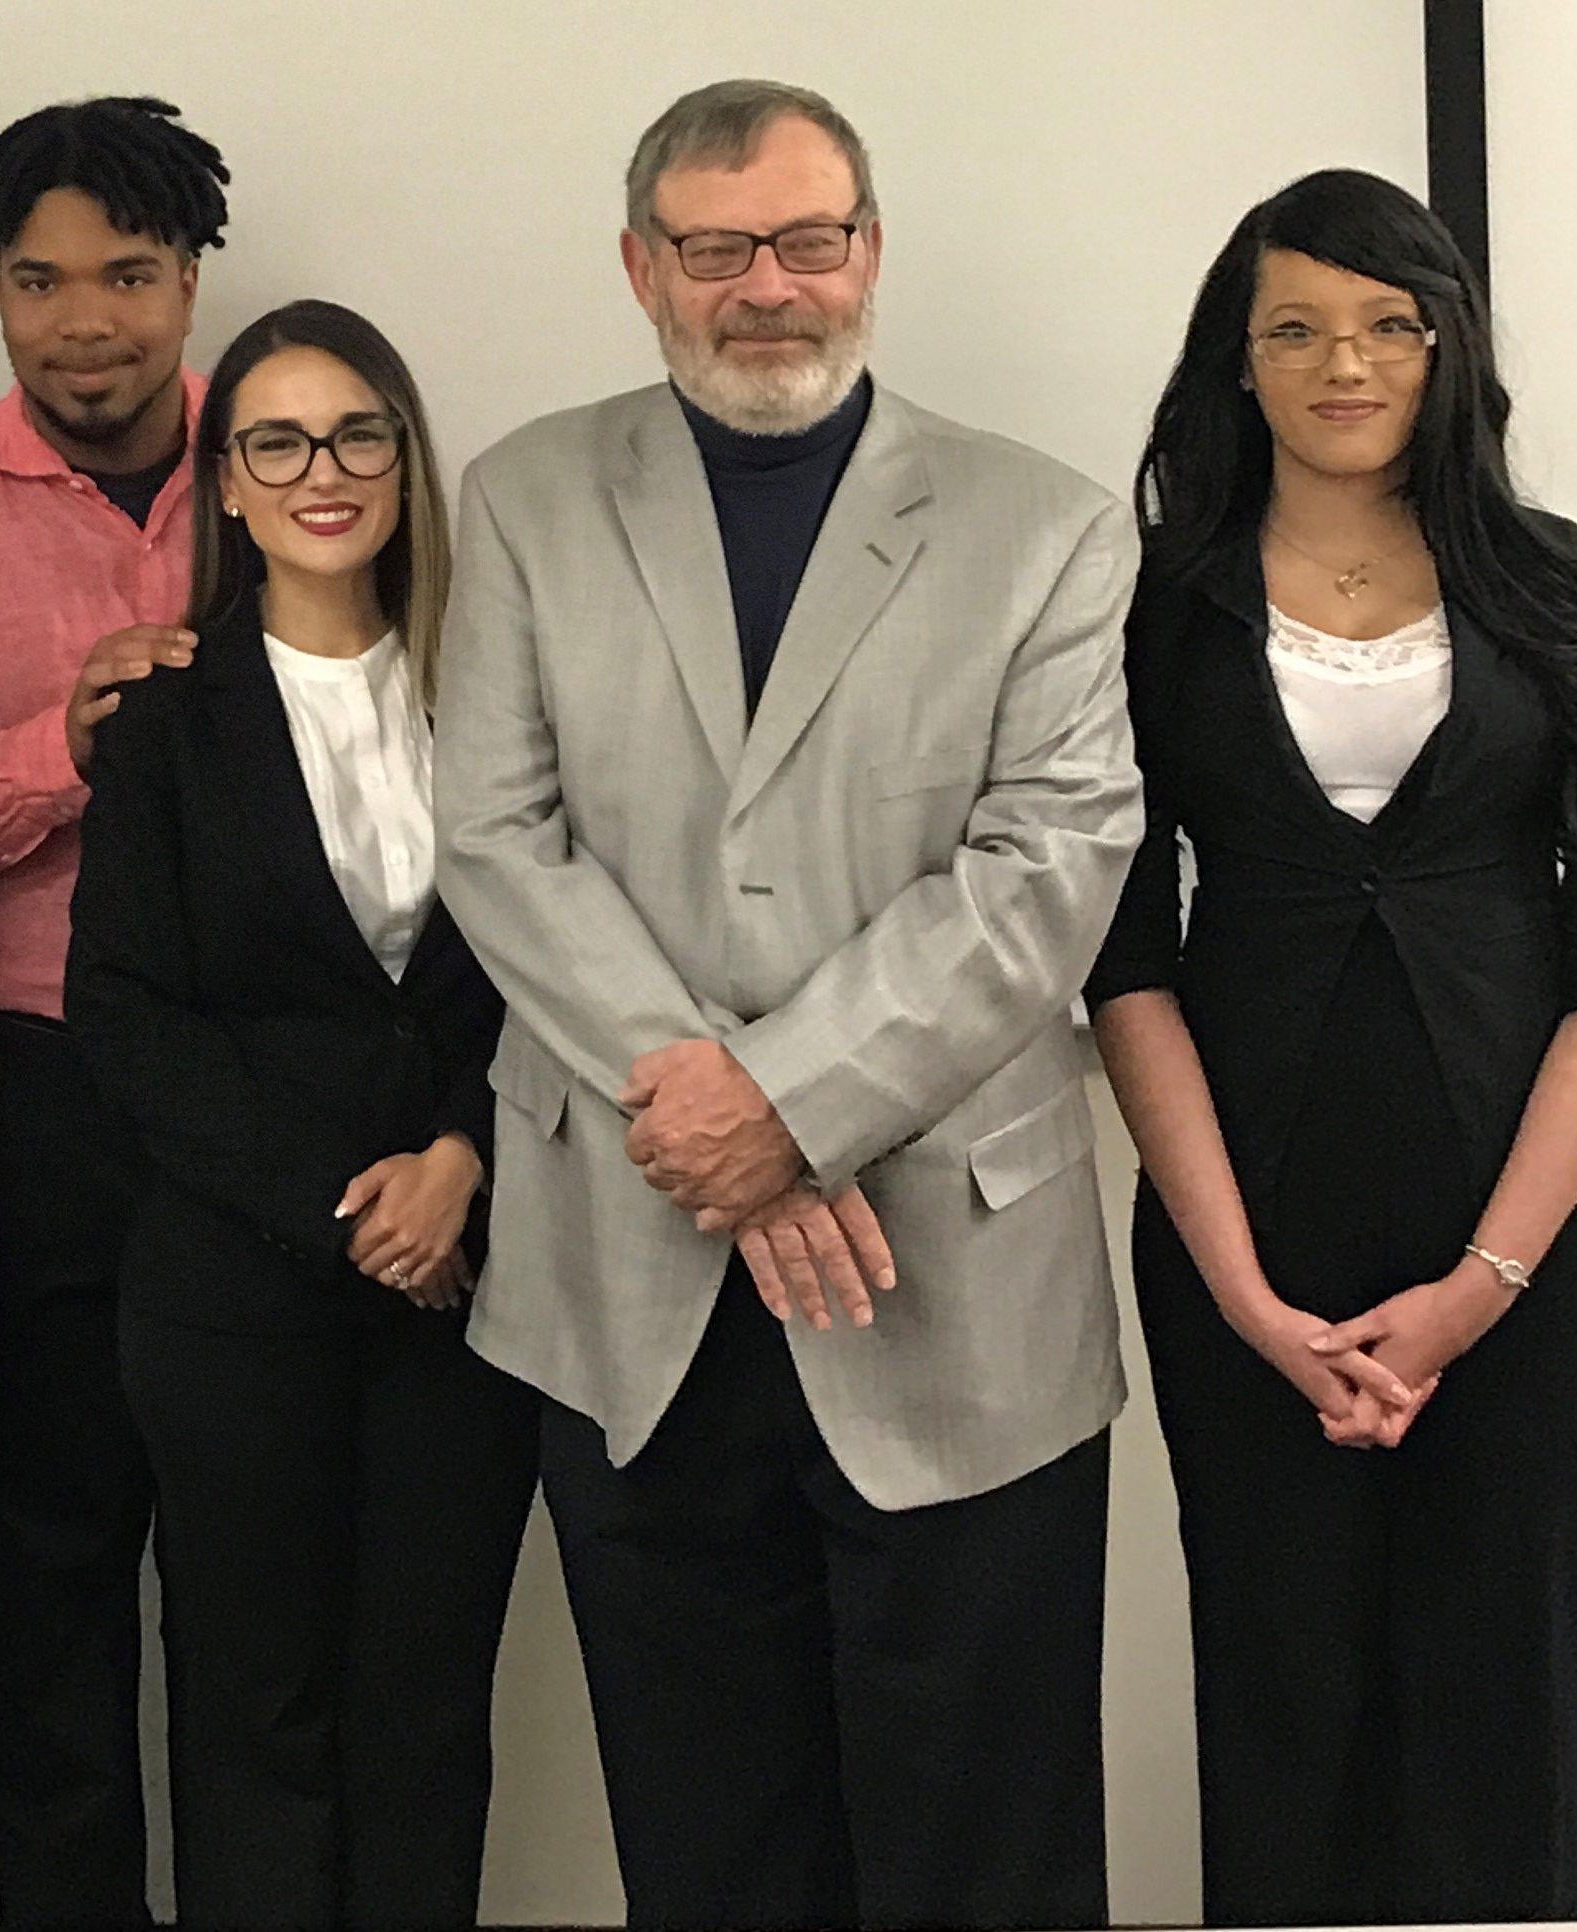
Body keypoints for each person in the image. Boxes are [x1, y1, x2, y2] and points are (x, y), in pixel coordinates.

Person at [434, 79, 1142, 1929]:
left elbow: (1044, 871)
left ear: (868, 254)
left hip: (950, 1294)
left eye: (806, 240)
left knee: (977, 1852)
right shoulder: (519, 494)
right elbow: (494, 840)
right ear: (638, 267)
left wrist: (790, 1110)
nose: (768, 287)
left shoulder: (1045, 528)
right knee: (704, 1840)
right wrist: (716, 1112)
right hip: (628, 1271)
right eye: (715, 246)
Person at [1088, 168, 1577, 1923]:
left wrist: (1480, 1285)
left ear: (1444, 347)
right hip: (1251, 1233)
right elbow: (1120, 963)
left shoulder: (1560, 590)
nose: (1343, 362)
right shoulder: (1149, 612)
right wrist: (1238, 1294)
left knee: (1499, 1703)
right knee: (1278, 1691)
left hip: (1524, 1245)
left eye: (1388, 323)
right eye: (1293, 327)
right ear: (1234, 363)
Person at [66, 298, 538, 1926]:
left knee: (424, 1711)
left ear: (403, 459)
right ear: (227, 484)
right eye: (275, 440)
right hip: (233, 1292)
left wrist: (463, 1157)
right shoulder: (160, 718)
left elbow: (554, 971)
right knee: (254, 1713)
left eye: (355, 433)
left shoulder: (506, 699)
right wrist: (347, 1200)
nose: (319, 469)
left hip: (468, 1285)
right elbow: (117, 1014)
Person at [0, 94, 228, 1925]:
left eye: (127, 276)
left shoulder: (302, 461)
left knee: (257, 1576)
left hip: (264, 1093)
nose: (85, 320)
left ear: (188, 280)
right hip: (34, 1088)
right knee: (51, 1575)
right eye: (38, 280)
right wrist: (61, 744)